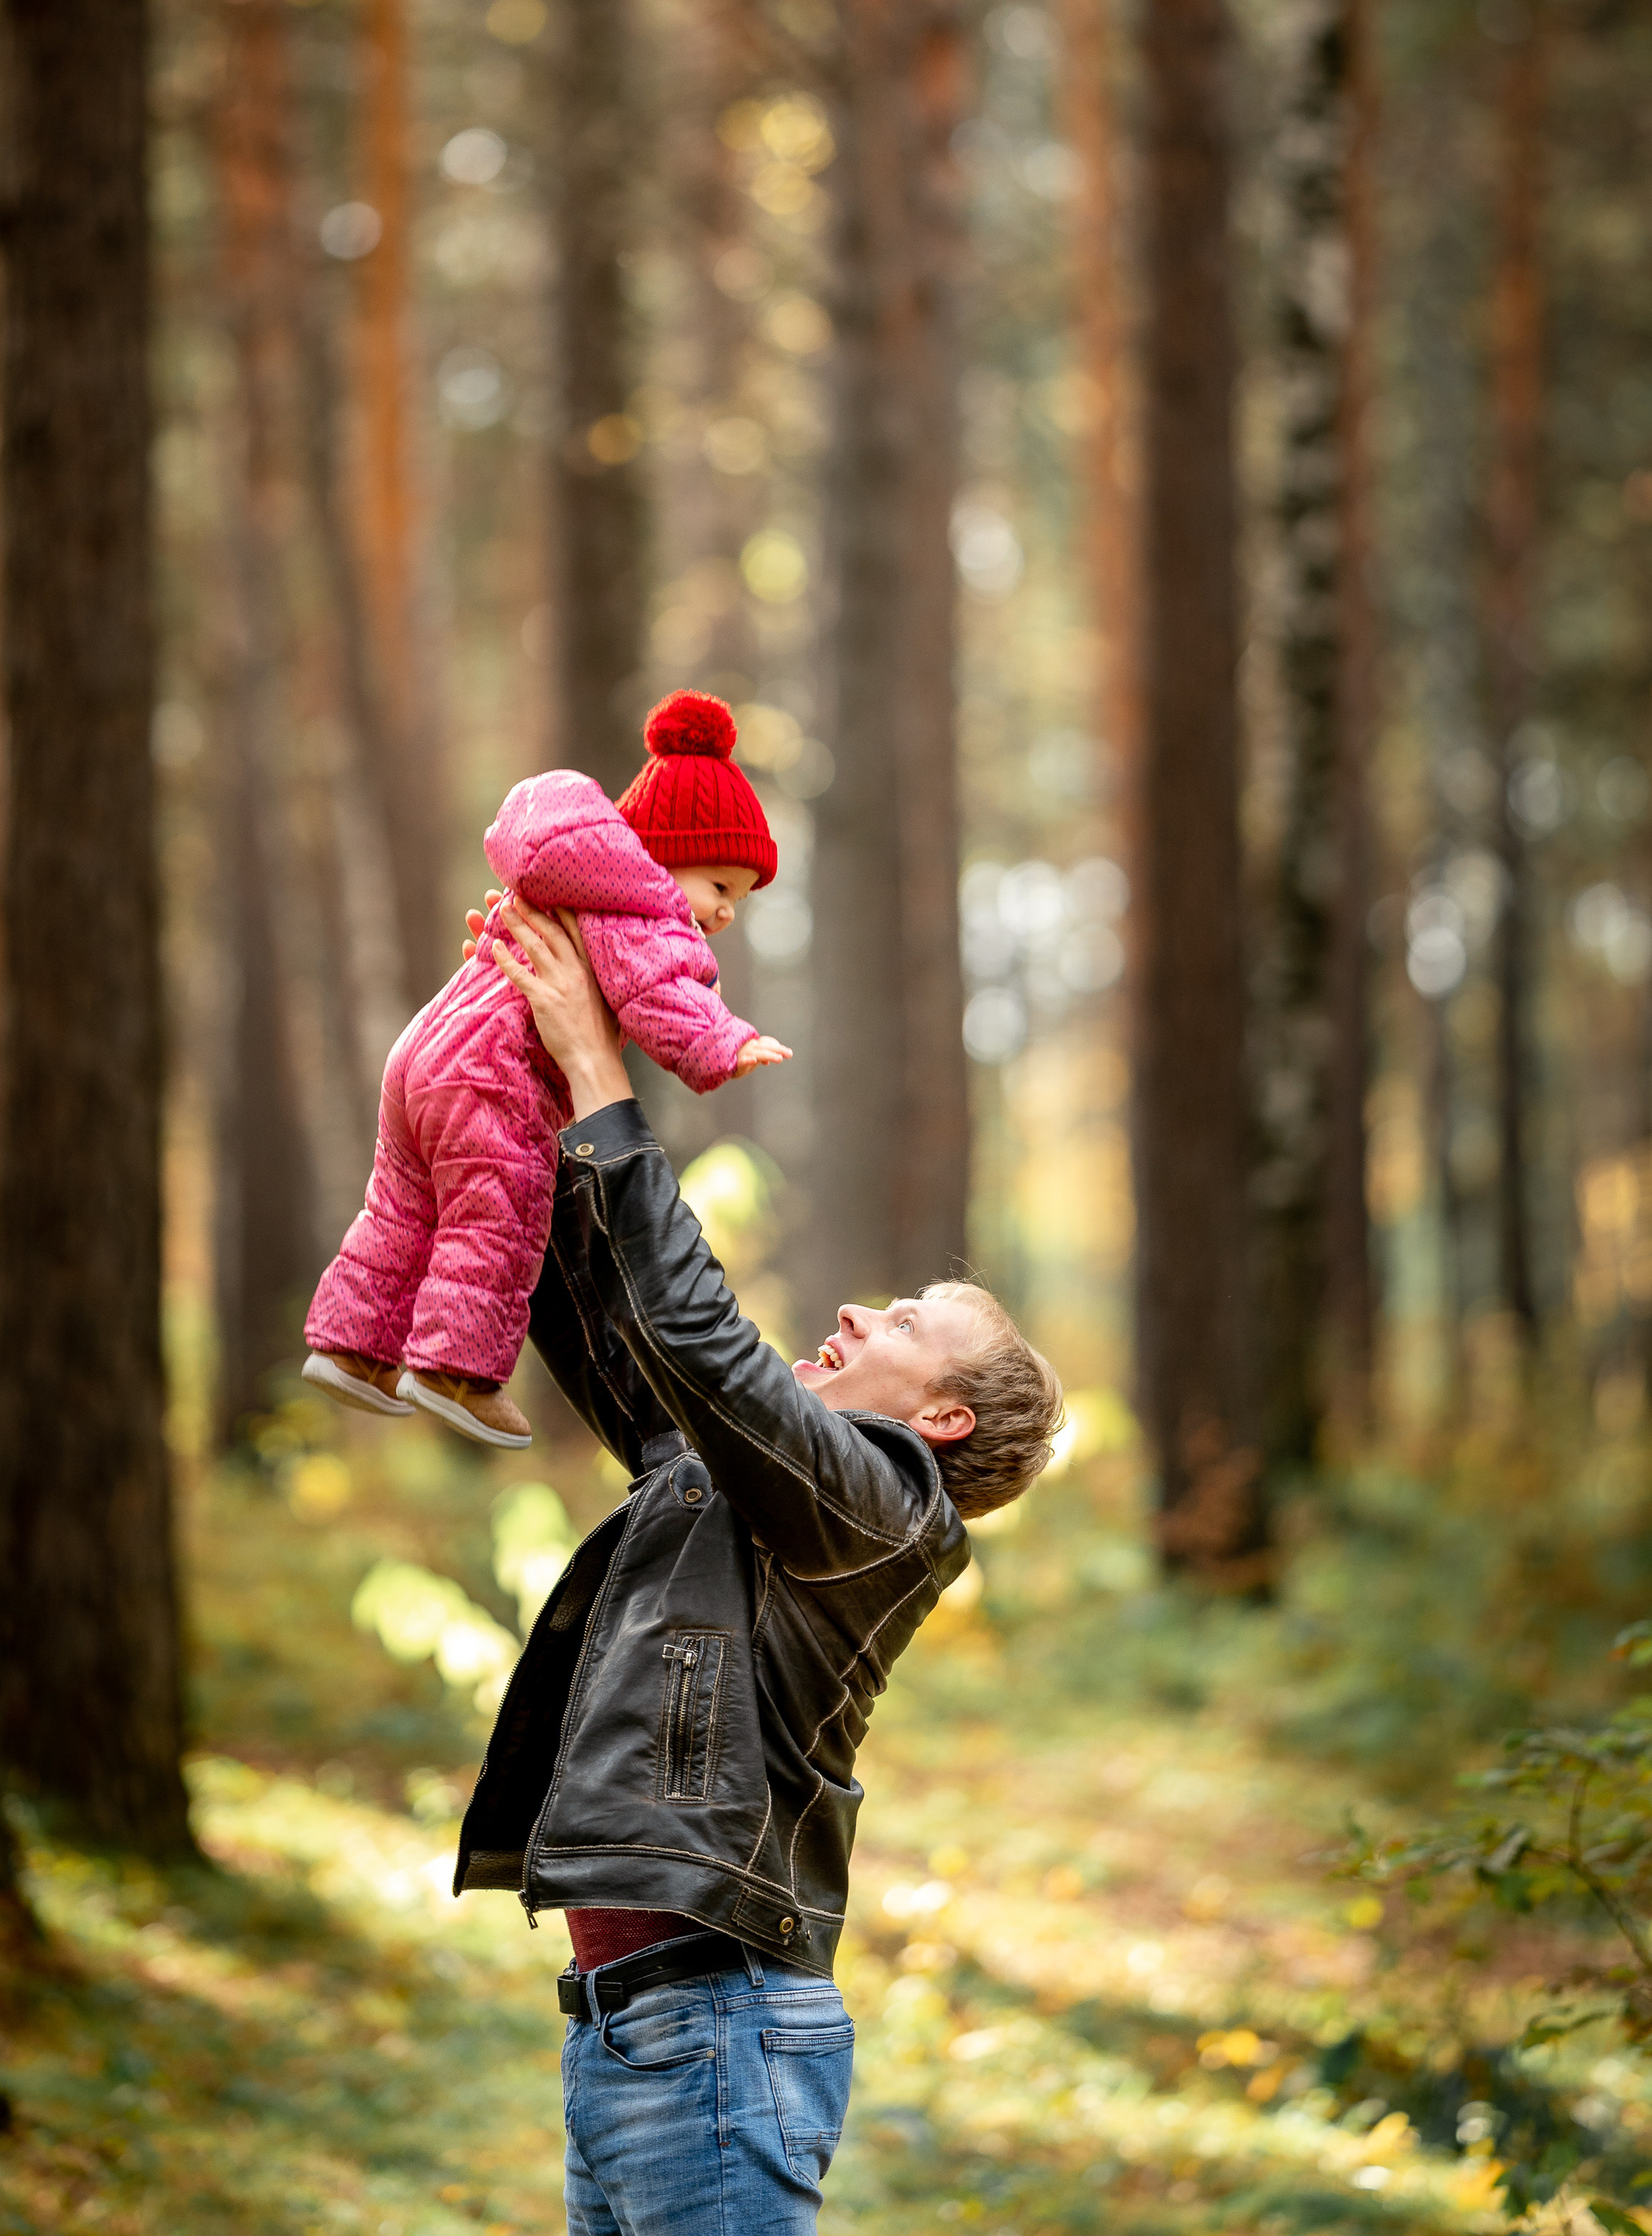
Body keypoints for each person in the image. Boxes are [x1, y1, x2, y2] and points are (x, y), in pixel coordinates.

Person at [453, 892, 1065, 2235]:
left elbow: (702, 1332)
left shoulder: (888, 1505)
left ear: (944, 1418)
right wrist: (537, 1044)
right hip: (627, 2031)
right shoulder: (747, 1478)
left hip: (715, 2033)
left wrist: (611, 1081)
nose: (857, 1309)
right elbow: (608, 1305)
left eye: (904, 1321)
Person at [302, 692, 792, 1448]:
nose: (726, 912)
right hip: (493, 1079)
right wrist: (722, 1042)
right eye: (721, 886)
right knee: (500, 1208)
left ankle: (352, 1345)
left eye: (741, 898)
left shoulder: (564, 881)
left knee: (403, 1206)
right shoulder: (642, 906)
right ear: (663, 850)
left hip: (425, 1055)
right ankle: (456, 1368)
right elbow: (657, 995)